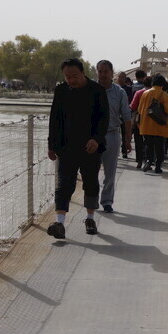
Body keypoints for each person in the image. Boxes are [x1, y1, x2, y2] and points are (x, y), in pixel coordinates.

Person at [46, 58, 110, 238]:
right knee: (64, 185)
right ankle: (59, 224)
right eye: (67, 77)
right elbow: (54, 119)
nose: (71, 80)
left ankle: (90, 218)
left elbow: (104, 119)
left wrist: (97, 140)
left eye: (74, 76)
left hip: (91, 147)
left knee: (90, 183)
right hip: (66, 148)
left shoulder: (97, 91)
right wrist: (51, 145)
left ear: (83, 73)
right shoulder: (61, 91)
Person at [95, 60, 133, 213]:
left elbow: (126, 117)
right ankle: (91, 200)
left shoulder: (120, 92)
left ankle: (107, 201)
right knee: (90, 171)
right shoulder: (90, 90)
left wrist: (127, 140)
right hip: (92, 137)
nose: (103, 74)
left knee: (110, 172)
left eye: (106, 71)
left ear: (112, 73)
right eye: (100, 71)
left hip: (111, 135)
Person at [136, 74, 168, 174]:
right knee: (159, 147)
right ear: (162, 84)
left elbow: (140, 109)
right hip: (160, 126)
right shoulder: (164, 94)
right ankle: (158, 166)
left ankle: (148, 161)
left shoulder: (145, 93)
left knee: (149, 146)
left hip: (146, 126)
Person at [129, 71, 149, 168]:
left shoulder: (138, 92)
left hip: (139, 119)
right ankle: (147, 161)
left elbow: (132, 106)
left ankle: (139, 161)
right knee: (148, 141)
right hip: (151, 121)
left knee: (138, 141)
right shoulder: (156, 93)